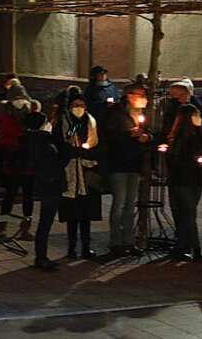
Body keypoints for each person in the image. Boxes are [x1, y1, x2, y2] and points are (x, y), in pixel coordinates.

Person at [102, 83, 151, 256]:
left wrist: (146, 137)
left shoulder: (142, 113)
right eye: (140, 94)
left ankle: (129, 241)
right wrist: (128, 134)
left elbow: (150, 132)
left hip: (135, 164)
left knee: (130, 205)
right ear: (130, 95)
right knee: (119, 204)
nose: (143, 97)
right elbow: (108, 135)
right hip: (119, 163)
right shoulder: (115, 112)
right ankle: (115, 242)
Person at [55, 90, 101, 259]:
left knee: (86, 214)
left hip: (87, 173)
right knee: (72, 215)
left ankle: (87, 246)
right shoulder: (64, 122)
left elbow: (96, 145)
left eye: (81, 105)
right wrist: (76, 149)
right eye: (75, 105)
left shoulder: (91, 122)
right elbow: (63, 142)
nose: (79, 108)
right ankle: (72, 247)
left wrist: (85, 152)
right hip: (71, 173)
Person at [164, 103, 202, 261]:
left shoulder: (196, 136)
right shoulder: (183, 137)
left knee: (186, 214)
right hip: (184, 179)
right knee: (183, 214)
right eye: (197, 115)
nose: (200, 118)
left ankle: (191, 247)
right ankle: (184, 246)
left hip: (186, 180)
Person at [0, 83, 35, 238]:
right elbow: (5, 136)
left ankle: (25, 227)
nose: (19, 101)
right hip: (12, 159)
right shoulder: (5, 115)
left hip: (27, 160)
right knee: (9, 195)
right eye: (16, 98)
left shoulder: (30, 114)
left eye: (21, 97)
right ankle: (1, 227)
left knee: (28, 196)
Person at [25, 111, 63, 271]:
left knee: (44, 222)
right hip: (49, 184)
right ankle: (41, 257)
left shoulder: (29, 139)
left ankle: (41, 256)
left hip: (41, 183)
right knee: (45, 222)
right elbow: (54, 161)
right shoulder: (45, 141)